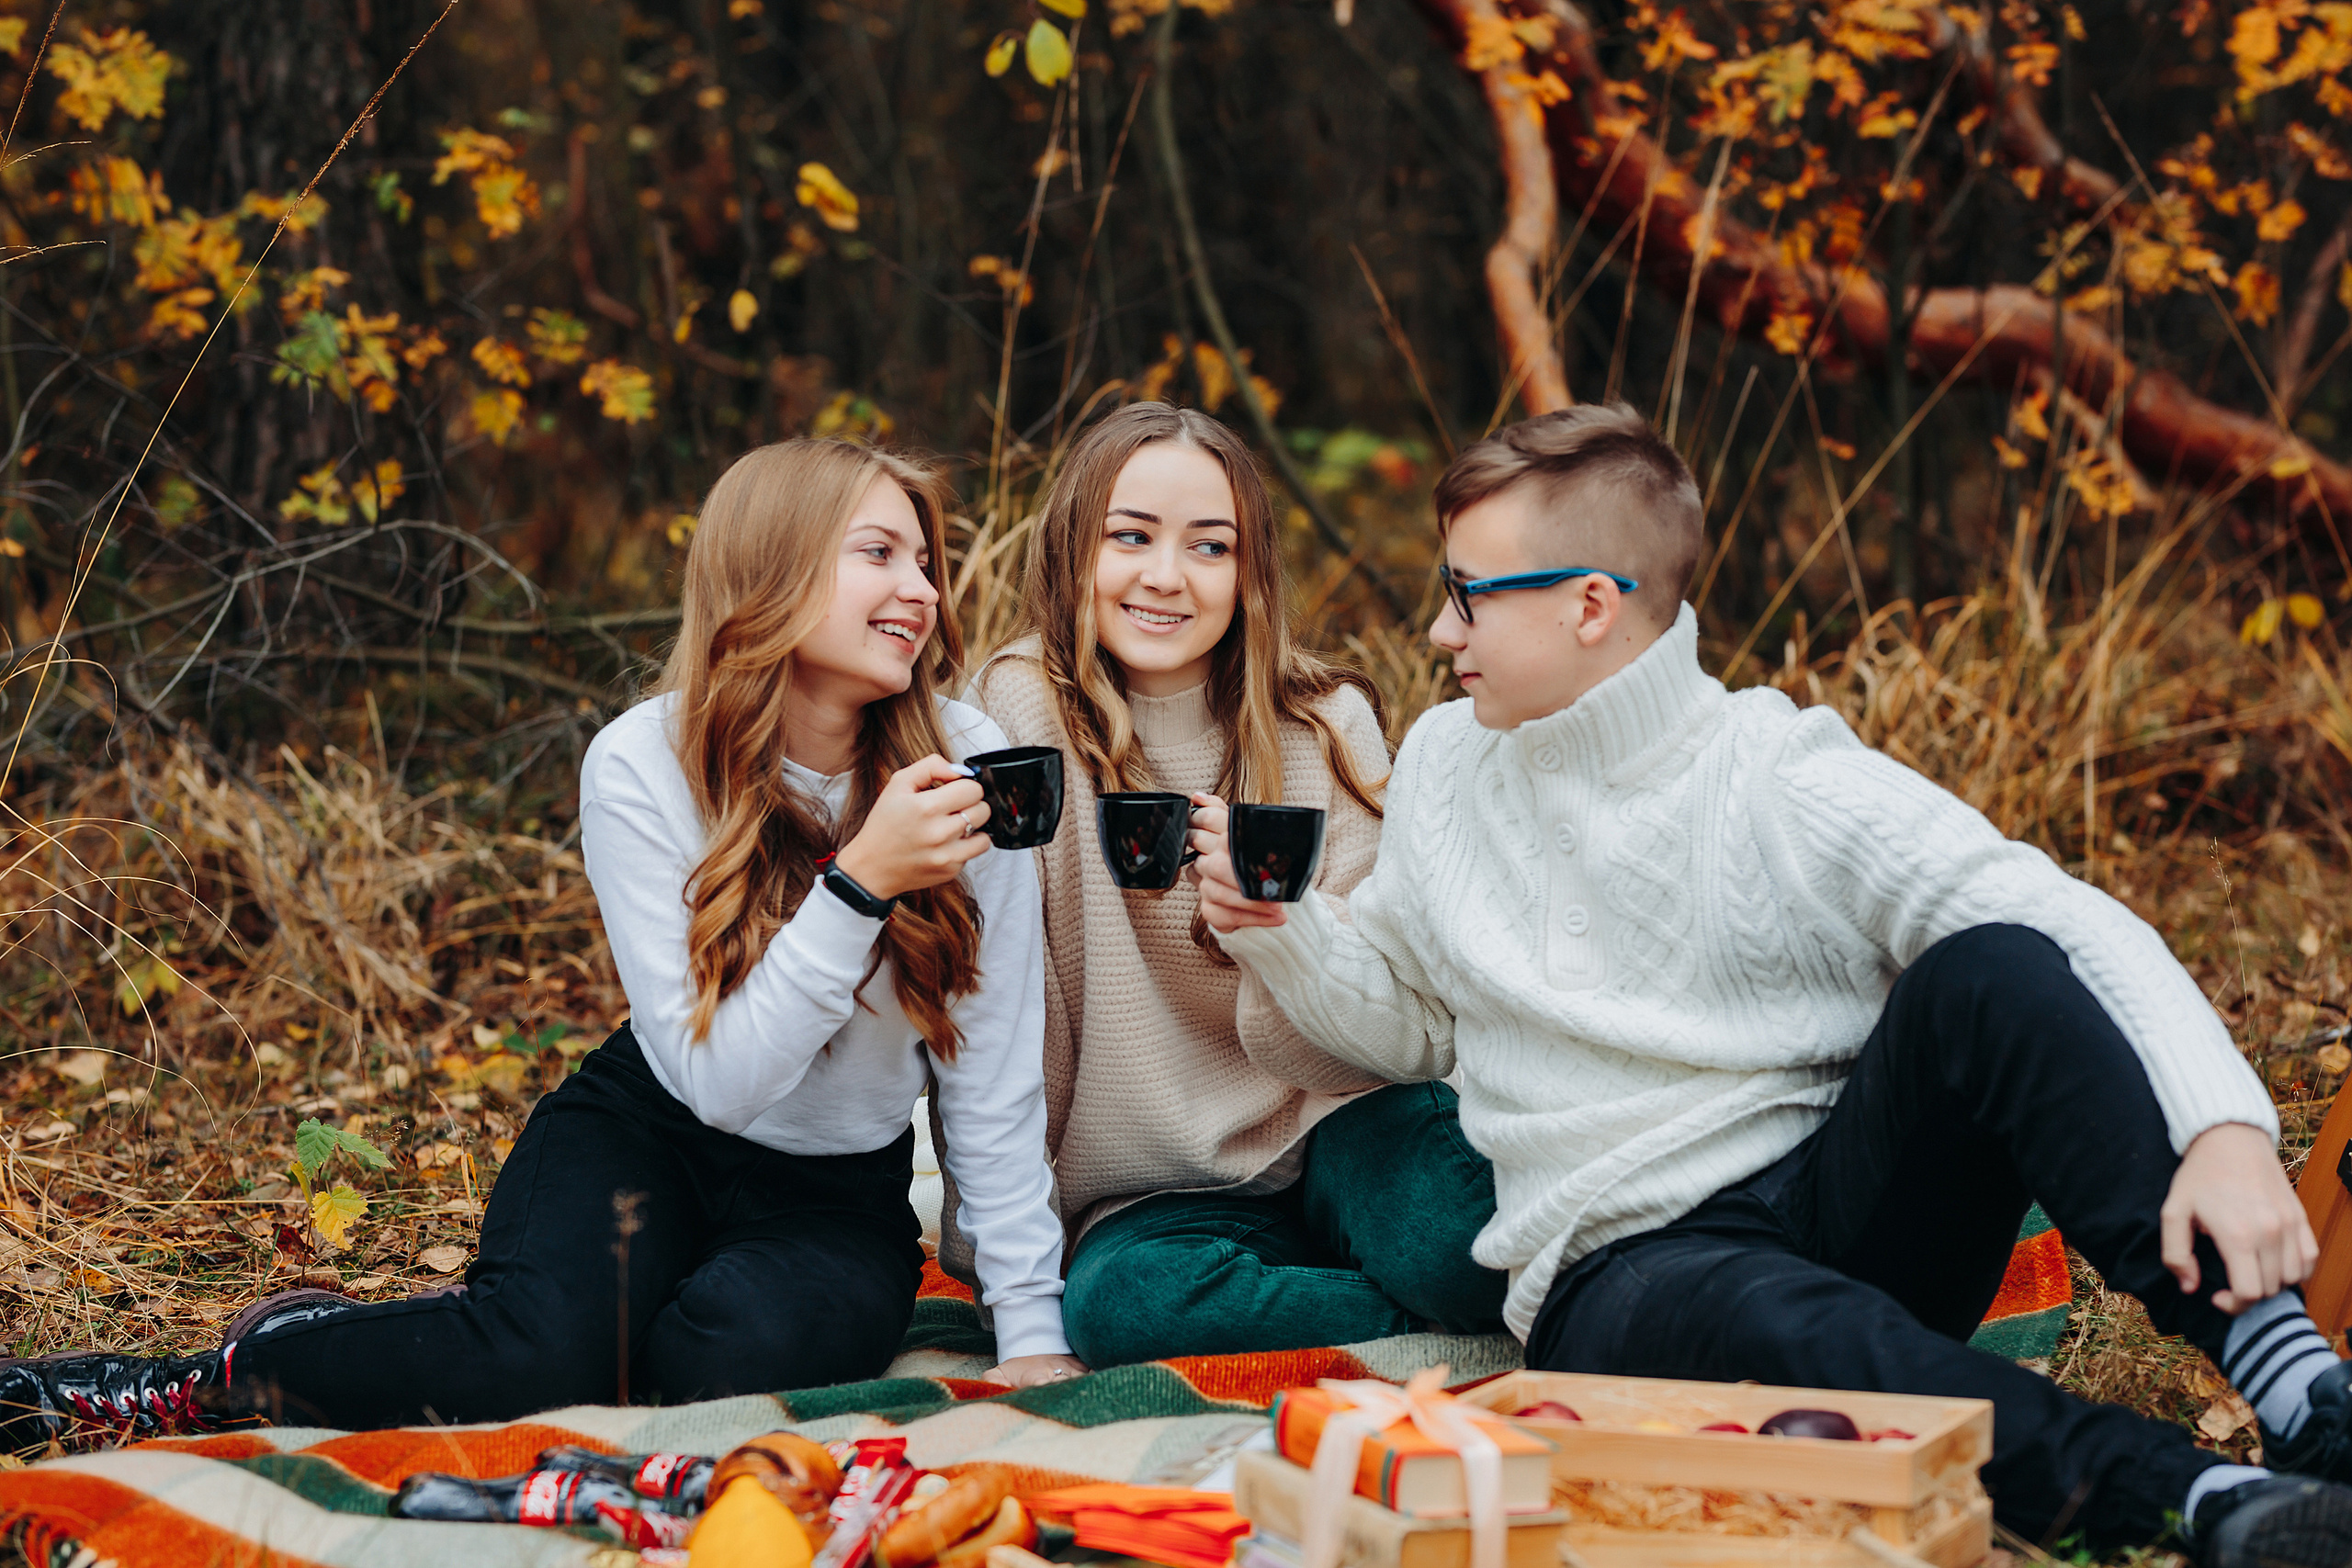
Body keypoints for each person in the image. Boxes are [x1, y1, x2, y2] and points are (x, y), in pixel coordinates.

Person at [1194, 402, 2352, 1568]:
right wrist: (1282, 931)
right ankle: (2211, 1503)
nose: (1441, 630)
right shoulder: (1447, 766)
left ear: (1589, 605)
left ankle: (2298, 1390)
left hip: (1836, 1203)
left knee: (1989, 966)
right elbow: (1410, 1025)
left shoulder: (1772, 771)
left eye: (1467, 594)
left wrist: (2224, 1131)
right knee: (1778, 1324)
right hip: (1622, 1270)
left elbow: (2054, 913)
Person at [0, 439, 1082, 1454]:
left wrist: (1031, 1329)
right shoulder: (643, 762)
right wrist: (859, 887)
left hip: (835, 1191)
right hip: (651, 1130)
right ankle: (223, 1374)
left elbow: (990, 1062)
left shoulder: (968, 761)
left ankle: (522, 1330)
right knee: (541, 1357)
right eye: (879, 554)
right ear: (771, 570)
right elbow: (718, 1085)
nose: (922, 590)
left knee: (725, 1366)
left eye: (926, 562)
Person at [965, 401, 1507, 1367]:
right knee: (1125, 1307)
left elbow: (1399, 1018)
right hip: (1152, 1187)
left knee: (1462, 1242)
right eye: (1131, 537)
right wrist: (1011, 1270)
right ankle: (1407, 1325)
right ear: (1072, 549)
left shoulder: (1325, 723)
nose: (1166, 576)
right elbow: (999, 1007)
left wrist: (1282, 929)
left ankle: (1399, 1290)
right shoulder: (1019, 715)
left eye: (1208, 546)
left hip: (1345, 1121)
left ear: (1248, 572)